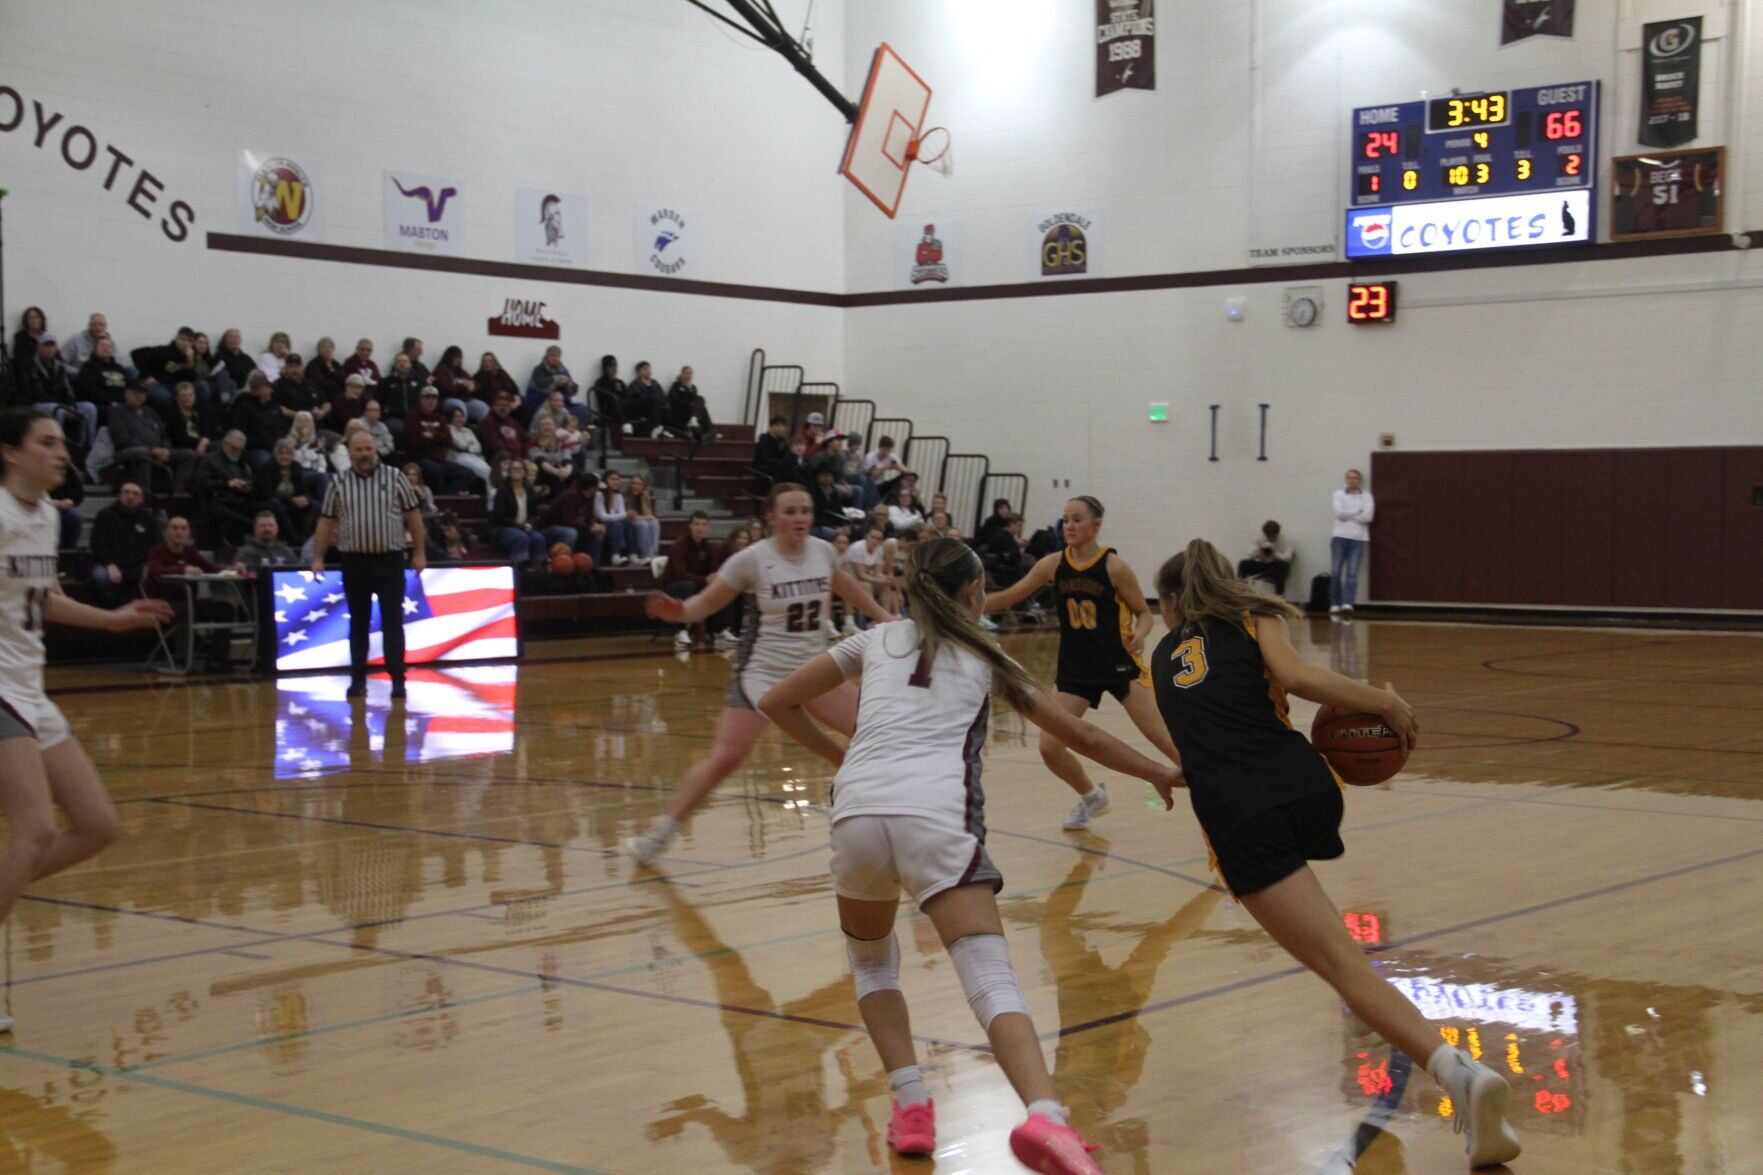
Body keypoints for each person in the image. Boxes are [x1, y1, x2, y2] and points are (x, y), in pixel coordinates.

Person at [756, 537, 1181, 1170]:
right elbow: (1082, 733)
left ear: (911, 588)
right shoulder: (988, 656)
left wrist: (840, 759)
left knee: (873, 965)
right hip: (934, 815)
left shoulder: (873, 642)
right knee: (986, 972)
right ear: (973, 593)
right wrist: (1158, 772)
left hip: (857, 814)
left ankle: (911, 1109)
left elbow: (775, 701)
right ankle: (1046, 1119)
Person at [1148, 538, 1520, 1167]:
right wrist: (1382, 700)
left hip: (1241, 817)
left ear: (1174, 601)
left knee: (1342, 965)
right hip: (1308, 787)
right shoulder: (1252, 614)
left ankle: (1459, 1074)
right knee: (1343, 959)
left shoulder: (1161, 659)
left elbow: (1195, 747)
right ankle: (1392, 1021)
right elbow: (1294, 680)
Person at [0, 409, 172, 1028]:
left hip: (28, 686)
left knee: (99, 826)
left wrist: (115, 618)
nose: (61, 453)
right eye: (45, 443)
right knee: (36, 831)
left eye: (62, 444)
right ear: (12, 454)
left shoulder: (47, 516)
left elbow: (42, 600)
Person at [625, 483, 894, 866]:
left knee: (879, 732)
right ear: (770, 517)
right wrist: (678, 613)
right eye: (790, 511)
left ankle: (891, 817)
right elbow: (704, 603)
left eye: (805, 510)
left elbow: (847, 586)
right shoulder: (751, 559)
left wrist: (885, 618)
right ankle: (657, 836)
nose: (800, 518)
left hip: (815, 671)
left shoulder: (822, 551)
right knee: (725, 759)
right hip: (762, 675)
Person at [982, 496, 1181, 831]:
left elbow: (1144, 612)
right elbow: (1010, 596)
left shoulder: (1114, 566)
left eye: (1076, 520)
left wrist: (1142, 634)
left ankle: (1216, 794)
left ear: (1096, 524)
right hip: (1076, 670)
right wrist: (963, 607)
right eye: (1065, 520)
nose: (1069, 527)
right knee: (1049, 747)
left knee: (1164, 740)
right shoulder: (1052, 564)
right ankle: (1091, 795)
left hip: (1120, 665)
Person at [311, 429, 426, 699]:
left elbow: (414, 516)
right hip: (354, 561)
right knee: (358, 622)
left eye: (369, 450)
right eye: (359, 450)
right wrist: (317, 557)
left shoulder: (395, 477)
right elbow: (326, 521)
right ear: (350, 453)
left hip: (390, 559)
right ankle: (358, 679)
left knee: (393, 621)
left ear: (376, 450)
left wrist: (419, 551)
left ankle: (398, 678)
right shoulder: (338, 482)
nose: (365, 455)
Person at [108, 382, 190, 495]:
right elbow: (122, 439)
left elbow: (164, 435)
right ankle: (145, 494)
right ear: (126, 394)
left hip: (156, 451)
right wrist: (151, 450)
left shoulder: (152, 412)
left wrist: (165, 449)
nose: (139, 396)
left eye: (142, 393)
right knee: (143, 452)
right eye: (135, 393)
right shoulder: (117, 412)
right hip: (128, 451)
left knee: (188, 454)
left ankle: (178, 492)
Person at [490, 459, 574, 568]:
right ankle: (519, 569)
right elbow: (500, 517)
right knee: (520, 537)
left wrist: (530, 523)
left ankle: (538, 569)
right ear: (509, 472)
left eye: (520, 468)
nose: (517, 471)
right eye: (514, 469)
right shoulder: (502, 491)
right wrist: (520, 526)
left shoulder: (529, 490)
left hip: (526, 527)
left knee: (538, 538)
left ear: (524, 472)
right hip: (505, 528)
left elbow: (534, 514)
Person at [89, 482, 160, 605]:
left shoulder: (149, 518)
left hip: (139, 565)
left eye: (135, 493)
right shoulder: (105, 515)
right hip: (112, 565)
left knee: (157, 574)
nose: (130, 496)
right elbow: (97, 543)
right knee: (99, 576)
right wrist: (109, 564)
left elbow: (158, 544)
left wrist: (149, 564)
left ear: (141, 499)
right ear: (119, 495)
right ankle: (125, 605)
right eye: (126, 492)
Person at [664, 511, 724, 648]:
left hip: (697, 583)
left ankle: (719, 630)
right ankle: (681, 630)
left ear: (707, 528)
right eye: (697, 524)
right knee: (687, 586)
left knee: (721, 586)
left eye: (704, 525)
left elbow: (713, 570)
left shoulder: (709, 546)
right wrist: (705, 580)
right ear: (690, 526)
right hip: (674, 586)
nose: (700, 528)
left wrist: (715, 578)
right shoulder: (679, 546)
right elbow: (681, 574)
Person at [256, 439, 324, 542]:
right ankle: (293, 537)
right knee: (276, 504)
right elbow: (267, 492)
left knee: (315, 505)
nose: (285, 457)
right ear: (275, 454)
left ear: (293, 455)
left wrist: (306, 498)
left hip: (292, 500)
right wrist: (291, 500)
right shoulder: (267, 468)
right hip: (271, 500)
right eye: (281, 453)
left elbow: (304, 489)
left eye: (288, 453)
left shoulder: (296, 466)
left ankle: (306, 537)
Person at [407, 387, 472, 493]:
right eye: (427, 398)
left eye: (434, 398)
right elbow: (415, 441)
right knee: (434, 470)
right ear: (421, 400)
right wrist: (437, 438)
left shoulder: (440, 418)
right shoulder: (412, 417)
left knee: (468, 473)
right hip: (420, 459)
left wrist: (432, 436)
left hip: (440, 460)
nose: (431, 401)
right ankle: (439, 499)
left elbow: (448, 439)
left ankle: (447, 495)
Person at [1330, 469, 1374, 615]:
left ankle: (1348, 603)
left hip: (1358, 538)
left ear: (1359, 480)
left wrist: (1348, 514)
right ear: (1346, 480)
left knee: (1352, 573)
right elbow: (1338, 513)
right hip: (1340, 536)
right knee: (1336, 572)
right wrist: (1357, 512)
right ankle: (1335, 603)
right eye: (1349, 478)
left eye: (1355, 478)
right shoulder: (1338, 495)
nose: (1352, 481)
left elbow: (1368, 517)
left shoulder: (1367, 497)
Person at [227, 373, 287, 468]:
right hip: (256, 449)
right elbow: (240, 432)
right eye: (268, 387)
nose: (271, 390)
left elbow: (282, 426)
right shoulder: (244, 407)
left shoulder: (274, 406)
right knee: (266, 462)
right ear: (260, 389)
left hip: (278, 447)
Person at [526, 346, 585, 422]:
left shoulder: (563, 370)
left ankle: (574, 432)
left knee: (582, 410)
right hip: (541, 404)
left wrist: (570, 384)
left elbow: (573, 391)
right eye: (552, 355)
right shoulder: (538, 370)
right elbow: (541, 386)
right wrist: (555, 380)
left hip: (562, 404)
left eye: (557, 356)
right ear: (546, 356)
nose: (555, 358)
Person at [1238, 520, 1295, 597]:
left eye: (1272, 536)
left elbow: (1288, 558)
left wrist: (1274, 554)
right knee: (1243, 564)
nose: (1270, 539)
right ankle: (1241, 591)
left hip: (1275, 565)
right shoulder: (1260, 539)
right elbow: (1248, 555)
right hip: (1262, 564)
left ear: (1277, 534)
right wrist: (1258, 552)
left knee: (1283, 566)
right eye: (1268, 536)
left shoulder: (1284, 540)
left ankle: (1279, 595)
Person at [74, 336, 131, 410]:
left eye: (109, 346)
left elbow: (129, 386)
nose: (106, 348)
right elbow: (90, 390)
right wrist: (109, 402)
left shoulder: (119, 368)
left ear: (113, 350)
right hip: (101, 405)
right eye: (102, 345)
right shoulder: (88, 366)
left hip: (122, 404)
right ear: (96, 349)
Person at [592, 470, 634, 566]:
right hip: (600, 524)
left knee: (628, 523)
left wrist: (625, 515)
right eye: (612, 479)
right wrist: (625, 515)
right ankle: (615, 556)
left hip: (614, 524)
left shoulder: (618, 496)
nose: (616, 482)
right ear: (605, 481)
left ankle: (633, 556)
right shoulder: (599, 495)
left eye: (618, 479)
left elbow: (622, 514)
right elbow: (602, 516)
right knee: (617, 524)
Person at [446, 405, 491, 490]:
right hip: (458, 457)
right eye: (456, 417)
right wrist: (469, 444)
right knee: (484, 471)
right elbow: (459, 445)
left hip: (472, 456)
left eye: (461, 416)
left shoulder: (468, 430)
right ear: (451, 418)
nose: (460, 419)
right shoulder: (448, 429)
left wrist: (467, 447)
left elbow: (478, 447)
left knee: (490, 470)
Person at [666, 366, 715, 440]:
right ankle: (706, 428)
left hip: (691, 412)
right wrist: (688, 400)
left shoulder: (693, 388)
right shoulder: (676, 386)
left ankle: (708, 430)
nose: (688, 376)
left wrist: (690, 391)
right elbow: (675, 401)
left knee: (701, 401)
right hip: (680, 412)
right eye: (686, 373)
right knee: (698, 405)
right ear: (681, 374)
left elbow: (695, 401)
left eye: (690, 374)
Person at [477, 392, 529, 464]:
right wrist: (516, 459)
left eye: (506, 405)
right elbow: (495, 447)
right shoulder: (487, 423)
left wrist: (526, 458)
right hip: (499, 462)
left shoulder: (515, 423)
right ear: (492, 406)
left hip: (518, 462)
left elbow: (524, 442)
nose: (503, 408)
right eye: (500, 405)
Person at [622, 361, 668, 438]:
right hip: (644, 411)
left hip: (658, 410)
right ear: (638, 372)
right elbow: (631, 403)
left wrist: (665, 408)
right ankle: (656, 427)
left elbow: (663, 398)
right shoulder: (635, 385)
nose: (648, 371)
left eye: (649, 369)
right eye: (645, 369)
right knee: (653, 399)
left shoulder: (655, 384)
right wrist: (639, 415)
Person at [430, 345, 475, 418]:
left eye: (460, 358)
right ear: (450, 357)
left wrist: (473, 386)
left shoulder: (460, 371)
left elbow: (472, 380)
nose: (458, 360)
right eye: (456, 357)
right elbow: (445, 388)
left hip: (463, 399)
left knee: (481, 407)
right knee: (460, 406)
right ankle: (461, 427)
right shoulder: (441, 370)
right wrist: (464, 386)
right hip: (446, 400)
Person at [472, 352, 518, 422]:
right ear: (482, 364)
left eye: (490, 361)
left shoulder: (502, 373)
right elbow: (484, 395)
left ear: (494, 362)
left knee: (523, 409)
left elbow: (514, 387)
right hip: (494, 404)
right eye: (485, 362)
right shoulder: (478, 377)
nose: (487, 364)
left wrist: (517, 400)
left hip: (510, 402)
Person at [625, 473, 662, 561]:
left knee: (654, 523)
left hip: (639, 519)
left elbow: (649, 515)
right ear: (630, 485)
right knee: (643, 524)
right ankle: (646, 554)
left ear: (643, 486)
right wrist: (645, 518)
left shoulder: (643, 496)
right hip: (627, 521)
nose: (636, 486)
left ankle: (654, 553)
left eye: (639, 484)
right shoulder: (625, 497)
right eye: (634, 483)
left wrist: (644, 500)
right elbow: (630, 516)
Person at [58, 312, 107, 376]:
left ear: (106, 326)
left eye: (101, 324)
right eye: (94, 324)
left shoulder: (108, 343)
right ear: (89, 325)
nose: (98, 327)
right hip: (77, 379)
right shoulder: (75, 340)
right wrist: (79, 373)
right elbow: (60, 363)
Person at [590, 355, 627, 433]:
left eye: (615, 365)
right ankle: (624, 423)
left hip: (623, 406)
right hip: (609, 410)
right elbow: (605, 400)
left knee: (648, 400)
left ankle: (655, 428)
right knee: (614, 400)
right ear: (605, 367)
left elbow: (627, 397)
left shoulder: (619, 382)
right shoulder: (600, 382)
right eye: (611, 366)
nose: (614, 368)